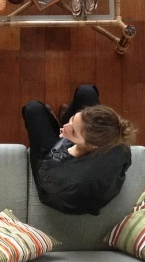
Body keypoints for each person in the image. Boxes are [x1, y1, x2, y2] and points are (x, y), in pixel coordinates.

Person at [21, 85, 135, 215]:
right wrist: (73, 135)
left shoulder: (56, 172)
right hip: (89, 183)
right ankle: (69, 121)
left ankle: (54, 120)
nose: (65, 127)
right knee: (86, 91)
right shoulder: (119, 142)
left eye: (73, 131)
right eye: (73, 118)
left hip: (63, 192)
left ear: (92, 145)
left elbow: (45, 178)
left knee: (33, 109)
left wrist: (64, 144)